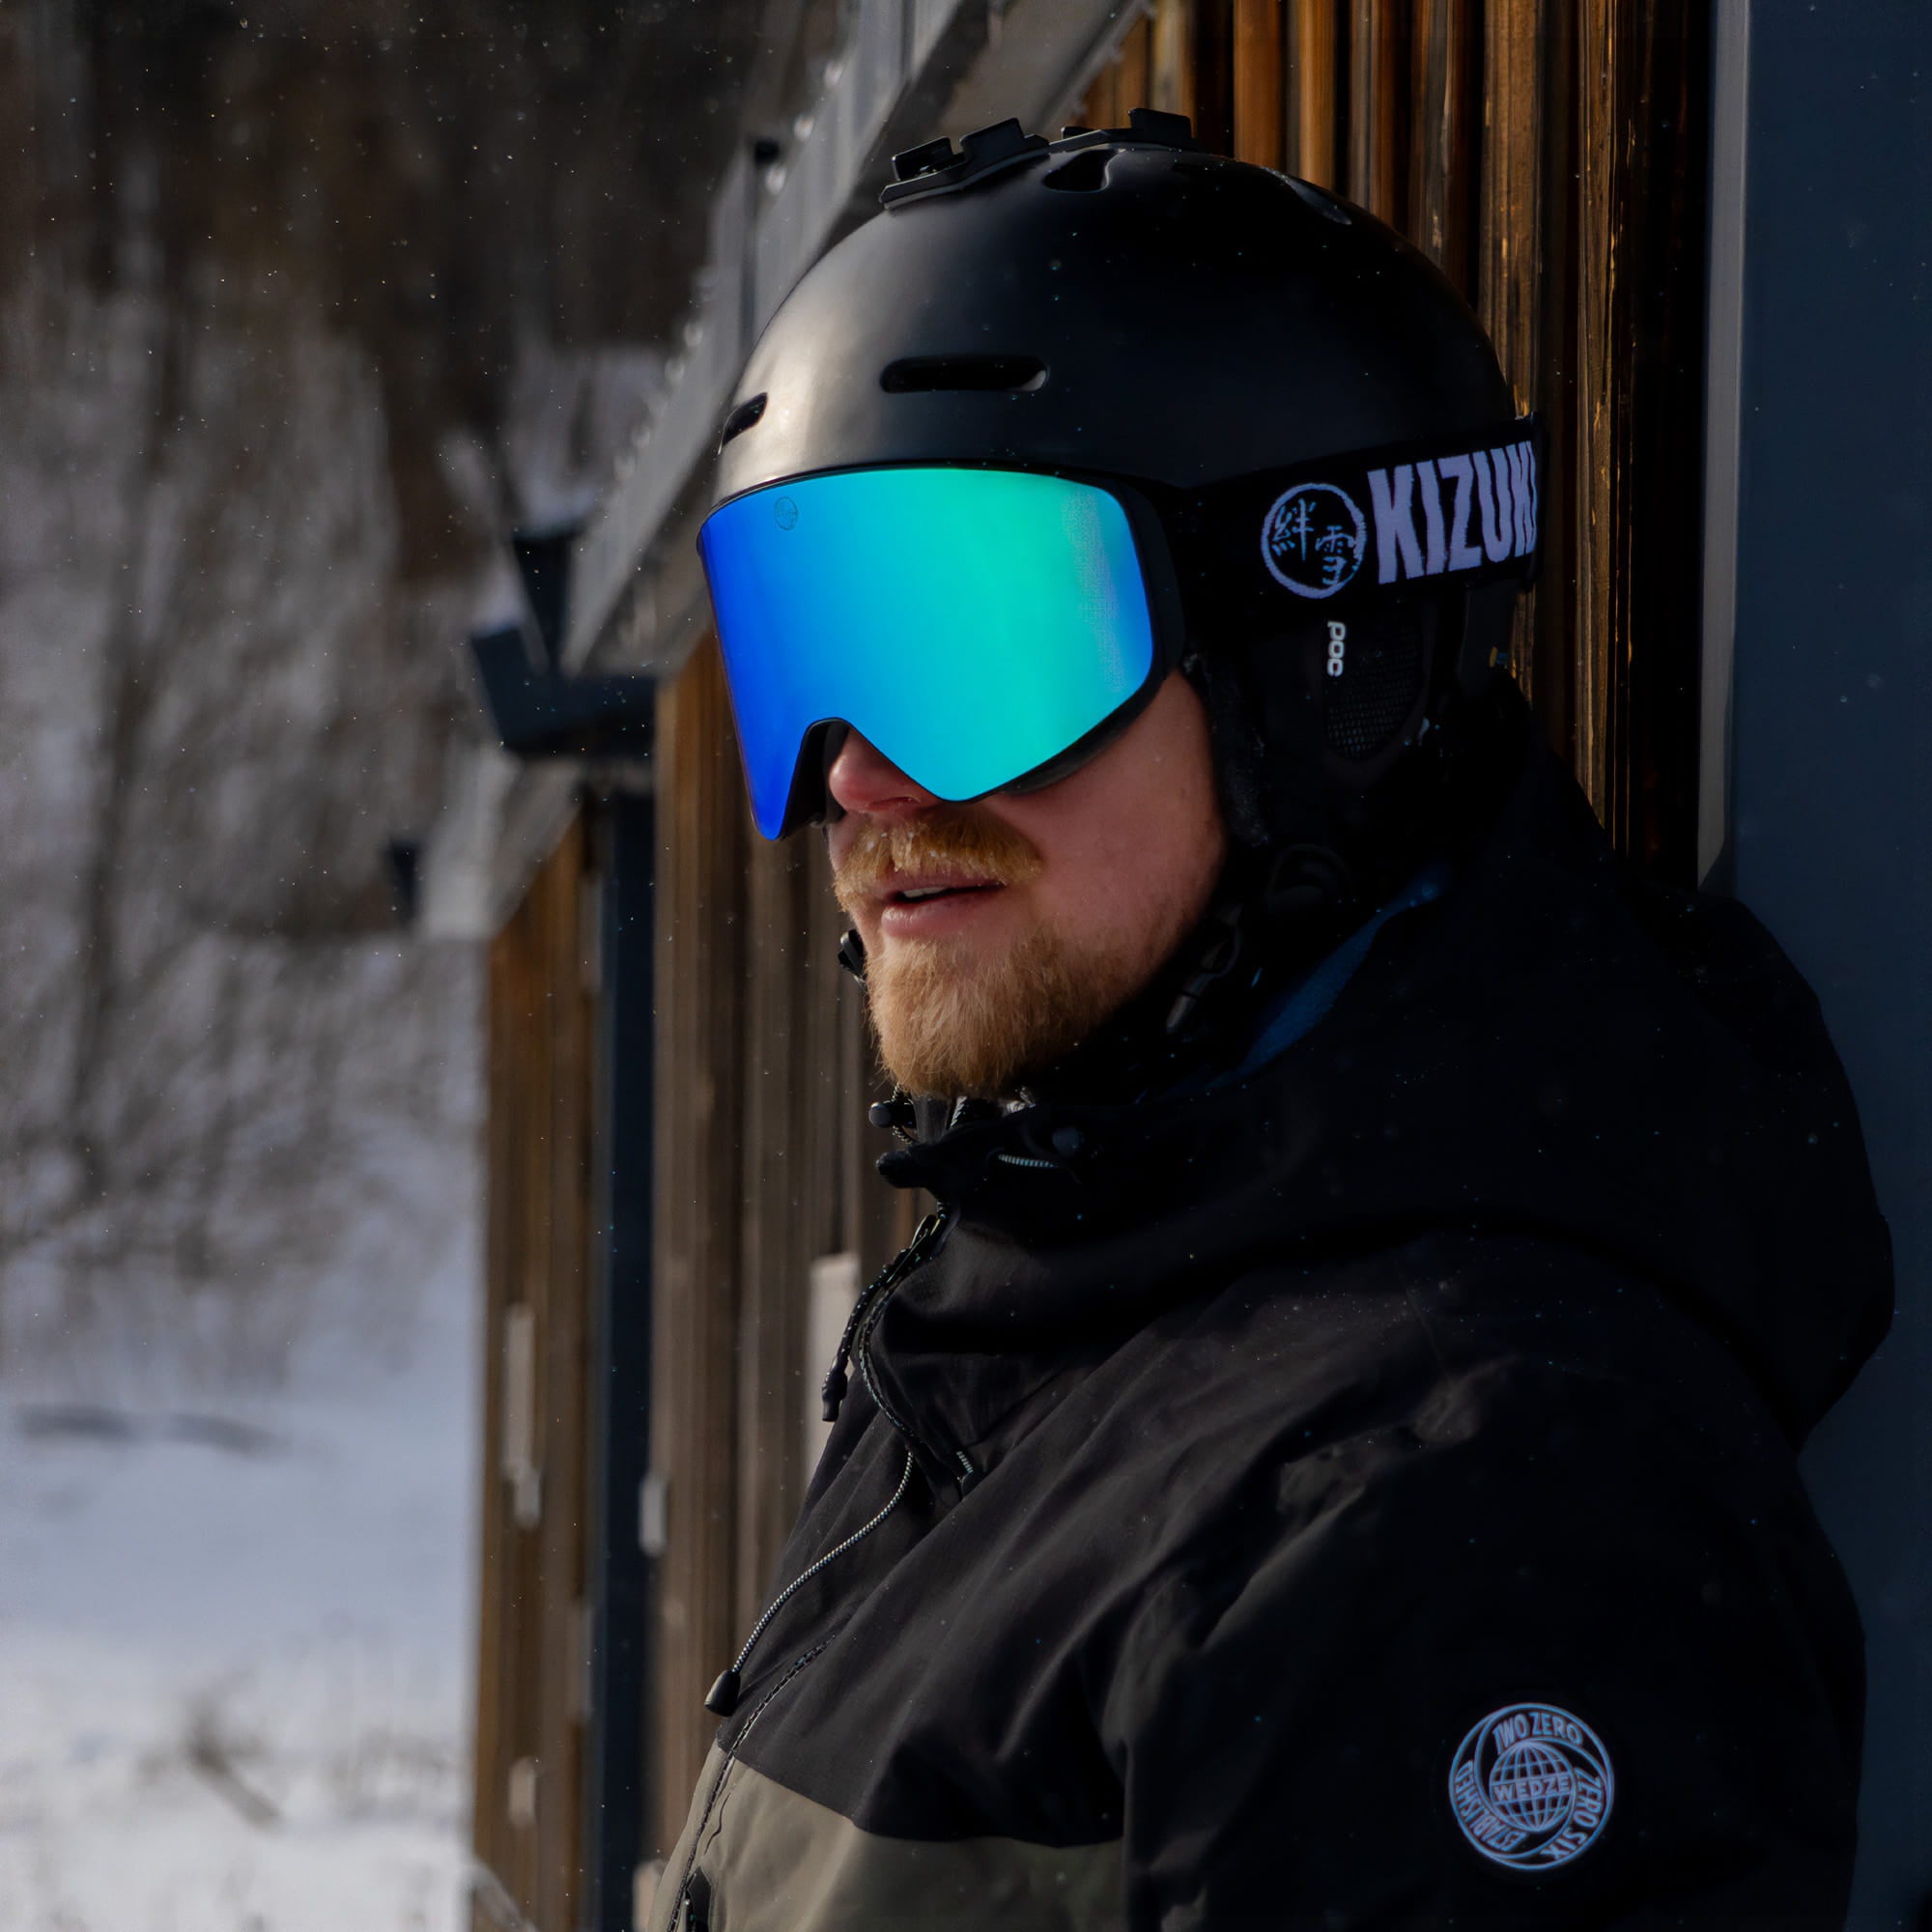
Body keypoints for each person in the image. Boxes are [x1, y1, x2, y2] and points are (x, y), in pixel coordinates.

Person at [654, 111, 1891, 1931]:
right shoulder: (1060, 1320)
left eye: (980, 639)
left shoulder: (1467, 1527)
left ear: (1325, 672)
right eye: (808, 641)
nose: (858, 771)